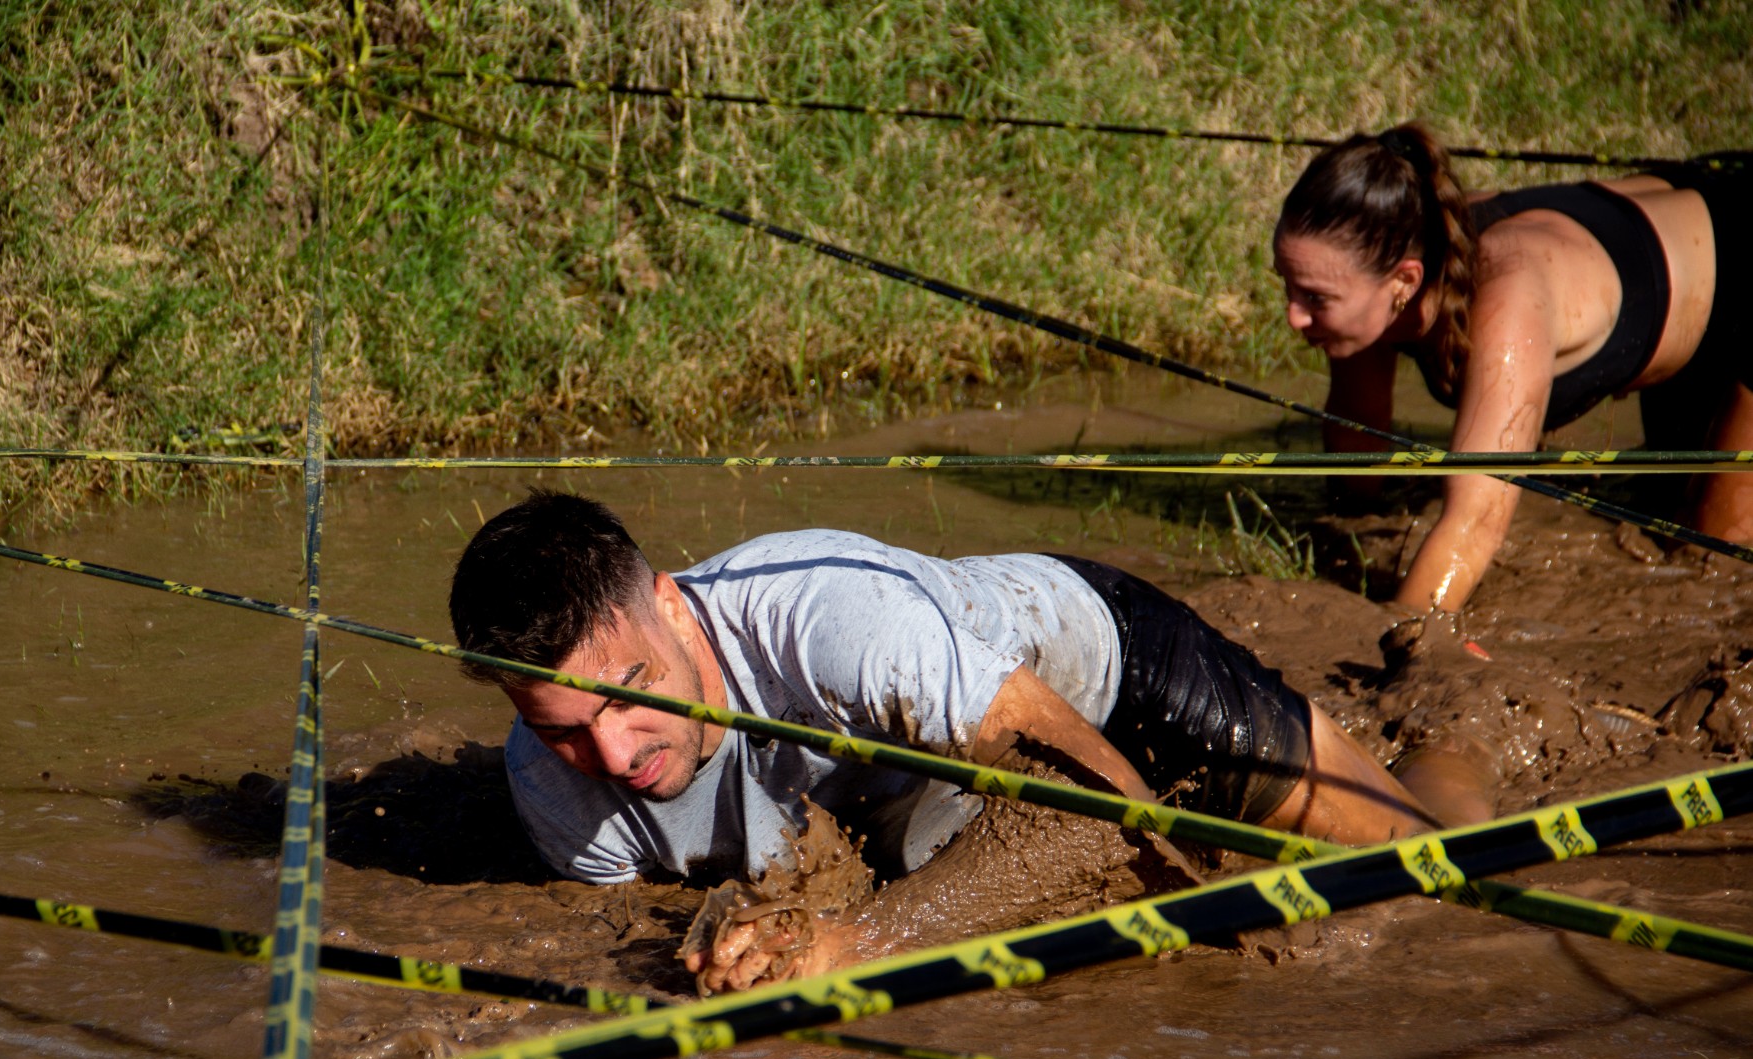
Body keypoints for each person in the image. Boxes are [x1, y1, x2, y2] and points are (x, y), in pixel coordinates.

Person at [448, 492, 1471, 991]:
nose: (619, 756)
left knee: (1431, 870)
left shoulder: (830, 618)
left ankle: (1447, 739)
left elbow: (1102, 813)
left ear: (671, 609)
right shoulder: (551, 790)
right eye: (566, 731)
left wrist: (850, 947)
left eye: (630, 694)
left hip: (1111, 675)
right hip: (923, 808)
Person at [1272, 122, 1752, 614]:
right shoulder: (1391, 259)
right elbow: (1359, 434)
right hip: (1676, 241)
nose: (1293, 315)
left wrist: (1391, 646)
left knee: (1710, 569)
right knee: (1662, 506)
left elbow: (1474, 525)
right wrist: (1347, 527)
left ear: (1404, 282)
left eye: (1315, 298)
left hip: (1742, 260)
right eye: (1287, 285)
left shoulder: (1506, 303)